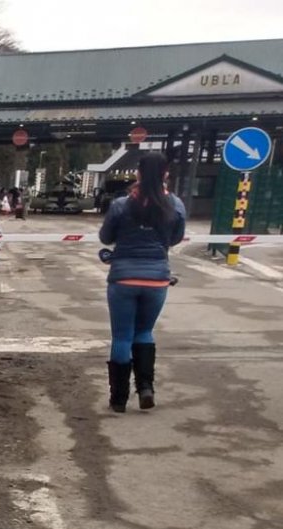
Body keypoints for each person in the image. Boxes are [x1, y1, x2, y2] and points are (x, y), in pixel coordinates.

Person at [97, 151, 186, 413]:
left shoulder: (121, 205)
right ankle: (146, 388)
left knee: (122, 336)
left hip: (123, 277)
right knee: (144, 332)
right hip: (157, 279)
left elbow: (105, 237)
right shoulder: (175, 205)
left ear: (138, 174)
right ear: (165, 175)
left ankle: (118, 399)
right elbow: (176, 238)